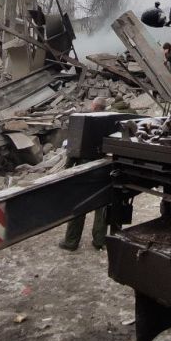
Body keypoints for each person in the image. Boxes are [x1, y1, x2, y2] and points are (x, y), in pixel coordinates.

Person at [58, 97, 108, 251]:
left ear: (94, 106)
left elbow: (74, 147)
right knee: (102, 206)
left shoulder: (84, 120)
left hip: (84, 170)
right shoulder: (109, 121)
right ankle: (100, 240)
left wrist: (67, 168)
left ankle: (71, 241)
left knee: (79, 206)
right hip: (103, 168)